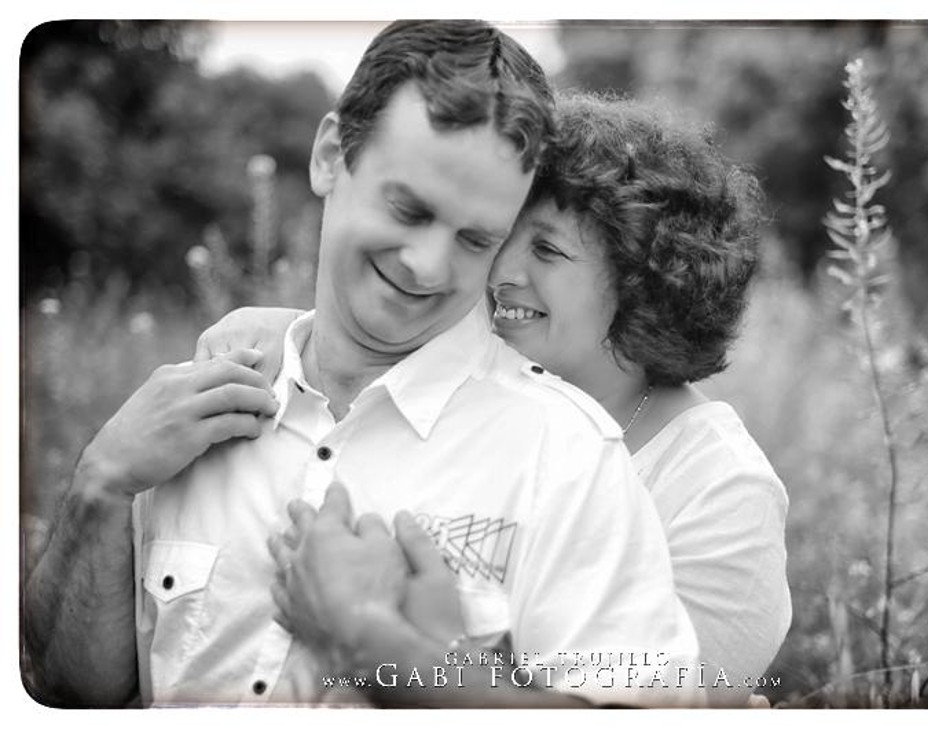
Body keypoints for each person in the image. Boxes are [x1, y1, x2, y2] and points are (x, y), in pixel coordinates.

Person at [24, 21, 701, 709]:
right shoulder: (187, 413)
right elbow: (65, 690)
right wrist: (100, 487)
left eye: (476, 240)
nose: (429, 266)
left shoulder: (565, 457)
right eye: (408, 209)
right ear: (328, 156)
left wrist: (385, 651)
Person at [201, 92, 792, 708]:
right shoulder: (465, 392)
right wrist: (285, 328)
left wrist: (384, 643)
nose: (499, 270)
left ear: (648, 283)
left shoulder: (723, 490)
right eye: (499, 235)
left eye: (546, 250)